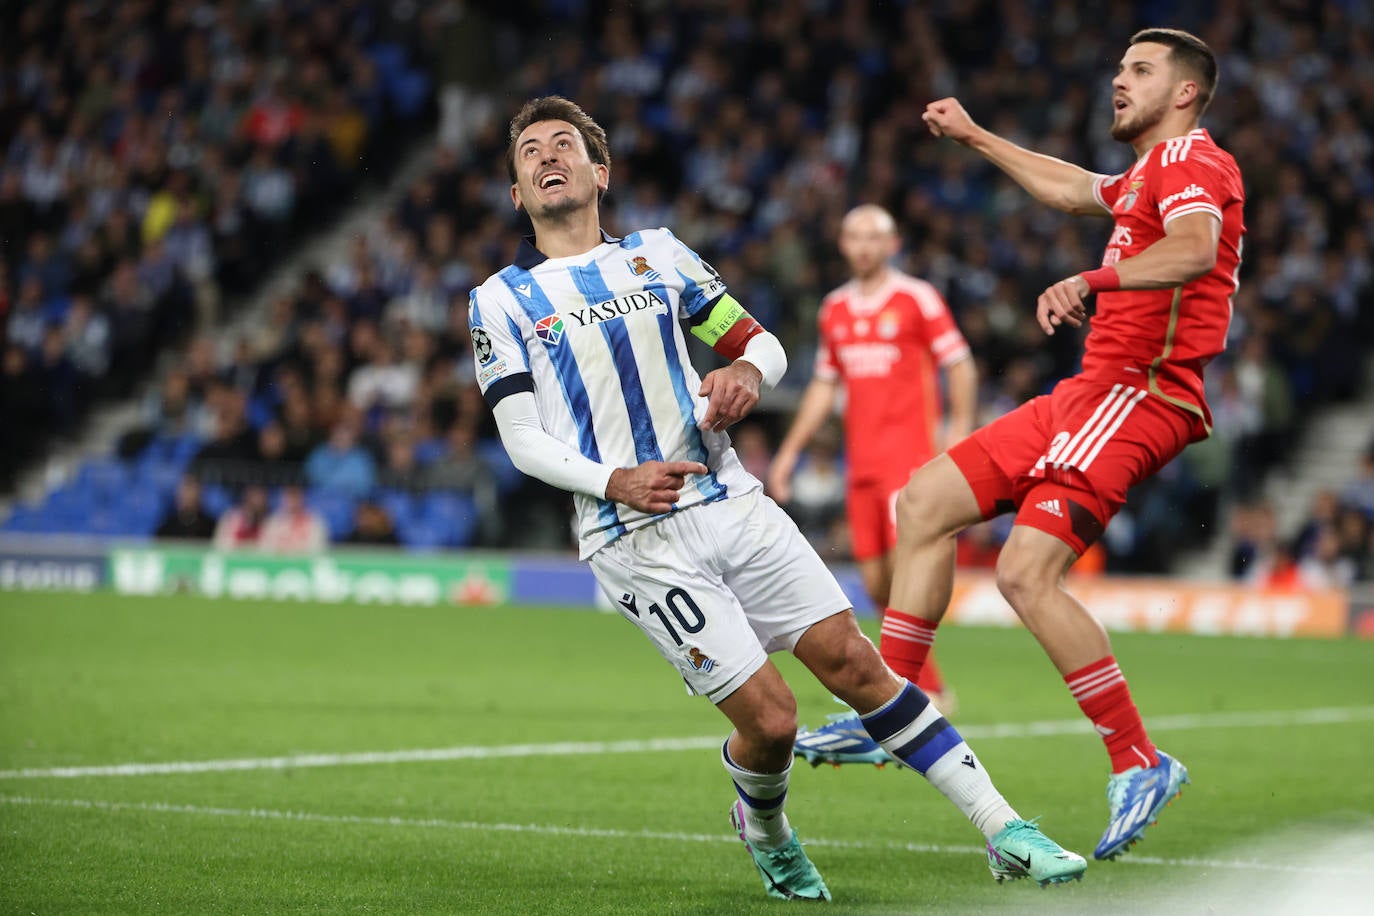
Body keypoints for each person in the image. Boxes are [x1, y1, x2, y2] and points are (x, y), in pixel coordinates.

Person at [468, 95, 1086, 900]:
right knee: (773, 721)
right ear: (518, 192)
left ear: (600, 171)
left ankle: (1005, 828)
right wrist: (614, 479)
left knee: (857, 666)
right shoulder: (500, 300)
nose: (547, 156)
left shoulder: (660, 256)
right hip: (633, 536)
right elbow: (522, 440)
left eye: (564, 144)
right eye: (529, 153)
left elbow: (761, 341)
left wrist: (750, 372)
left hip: (733, 500)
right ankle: (765, 829)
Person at [889, 28, 1244, 862]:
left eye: (1141, 71)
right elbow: (1072, 190)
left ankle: (1139, 760)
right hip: (1087, 392)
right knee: (925, 500)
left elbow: (1193, 250)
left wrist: (1094, 278)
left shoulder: (1196, 162)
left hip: (1140, 392)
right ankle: (892, 704)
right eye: (1119, 66)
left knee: (1024, 572)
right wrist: (976, 135)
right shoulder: (1148, 174)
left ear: (1186, 92)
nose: (1118, 81)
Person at [767, 203, 976, 765]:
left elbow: (960, 365)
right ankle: (925, 682)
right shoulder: (834, 309)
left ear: (892, 244)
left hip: (909, 465)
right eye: (853, 235)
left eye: (873, 237)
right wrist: (788, 453)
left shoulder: (916, 299)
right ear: (842, 243)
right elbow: (822, 387)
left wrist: (956, 435)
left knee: (904, 576)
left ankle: (913, 691)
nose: (863, 246)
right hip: (861, 467)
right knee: (880, 583)